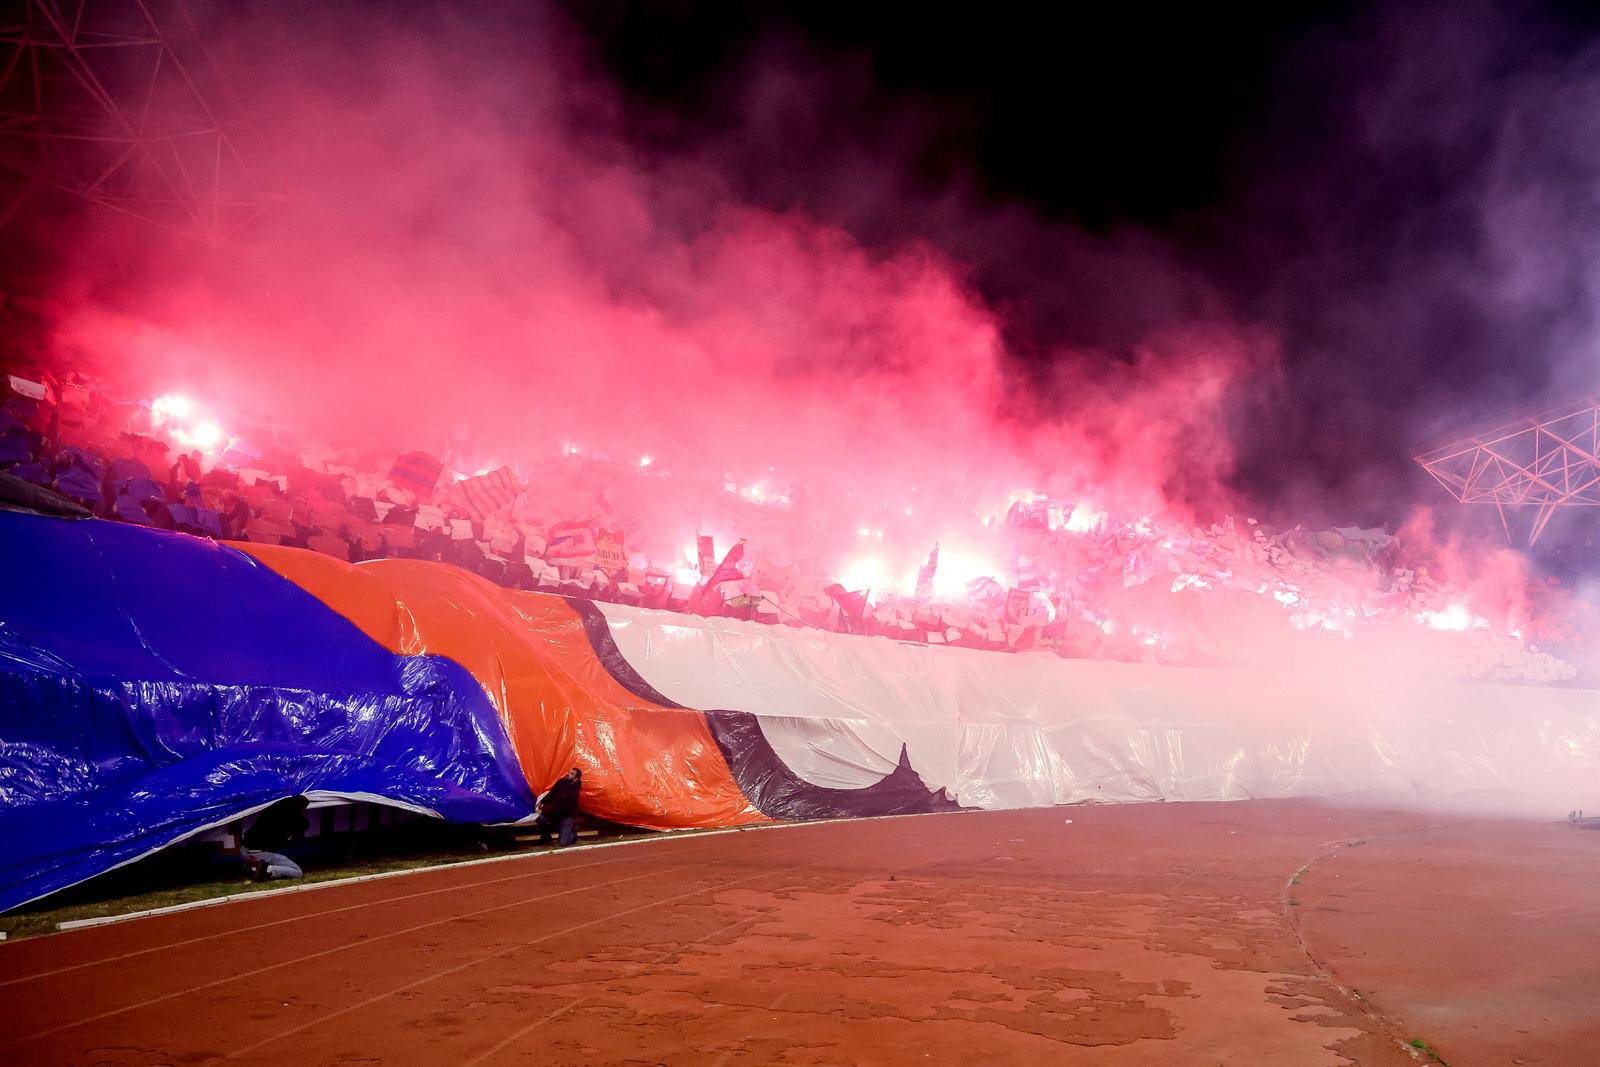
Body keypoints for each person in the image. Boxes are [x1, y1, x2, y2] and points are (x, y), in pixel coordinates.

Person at [241, 796, 310, 881]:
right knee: (298, 872)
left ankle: (253, 868)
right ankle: (266, 869)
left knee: (275, 854)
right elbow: (303, 825)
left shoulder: (270, 809)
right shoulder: (293, 820)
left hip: (243, 850)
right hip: (258, 853)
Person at [534, 768, 583, 847]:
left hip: (566, 815)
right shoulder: (561, 782)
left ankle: (572, 832)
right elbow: (552, 793)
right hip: (555, 813)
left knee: (563, 843)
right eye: (569, 772)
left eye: (572, 773)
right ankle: (546, 839)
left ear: (576, 778)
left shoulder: (575, 790)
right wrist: (541, 802)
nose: (568, 774)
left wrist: (544, 810)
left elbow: (565, 807)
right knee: (539, 818)